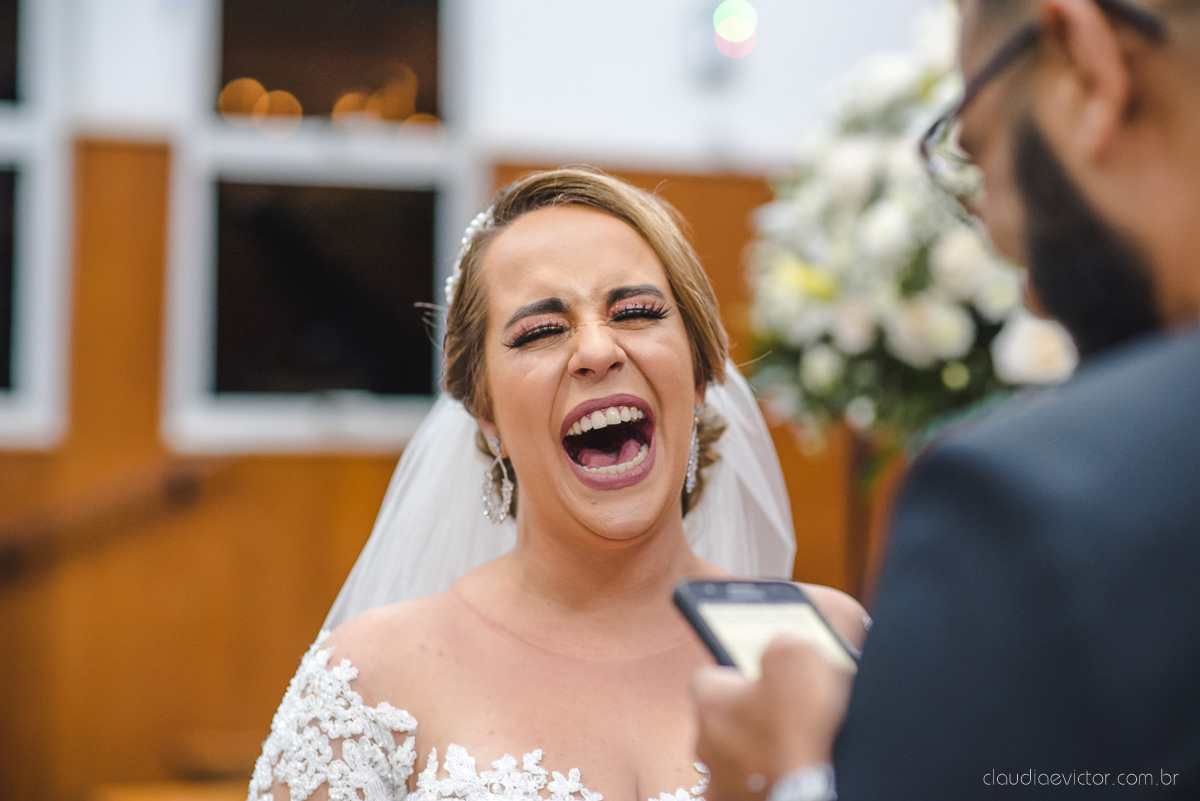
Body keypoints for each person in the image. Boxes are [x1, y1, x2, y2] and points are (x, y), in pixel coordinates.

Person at [691, 0, 1200, 798]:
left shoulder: (1028, 504)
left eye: (982, 155)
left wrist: (796, 768)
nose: (1025, 285)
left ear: (1088, 73)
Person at [247, 167, 867, 801]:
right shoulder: (367, 681)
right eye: (541, 331)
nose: (597, 350)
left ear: (702, 377)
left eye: (636, 312)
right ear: (487, 418)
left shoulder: (828, 643)